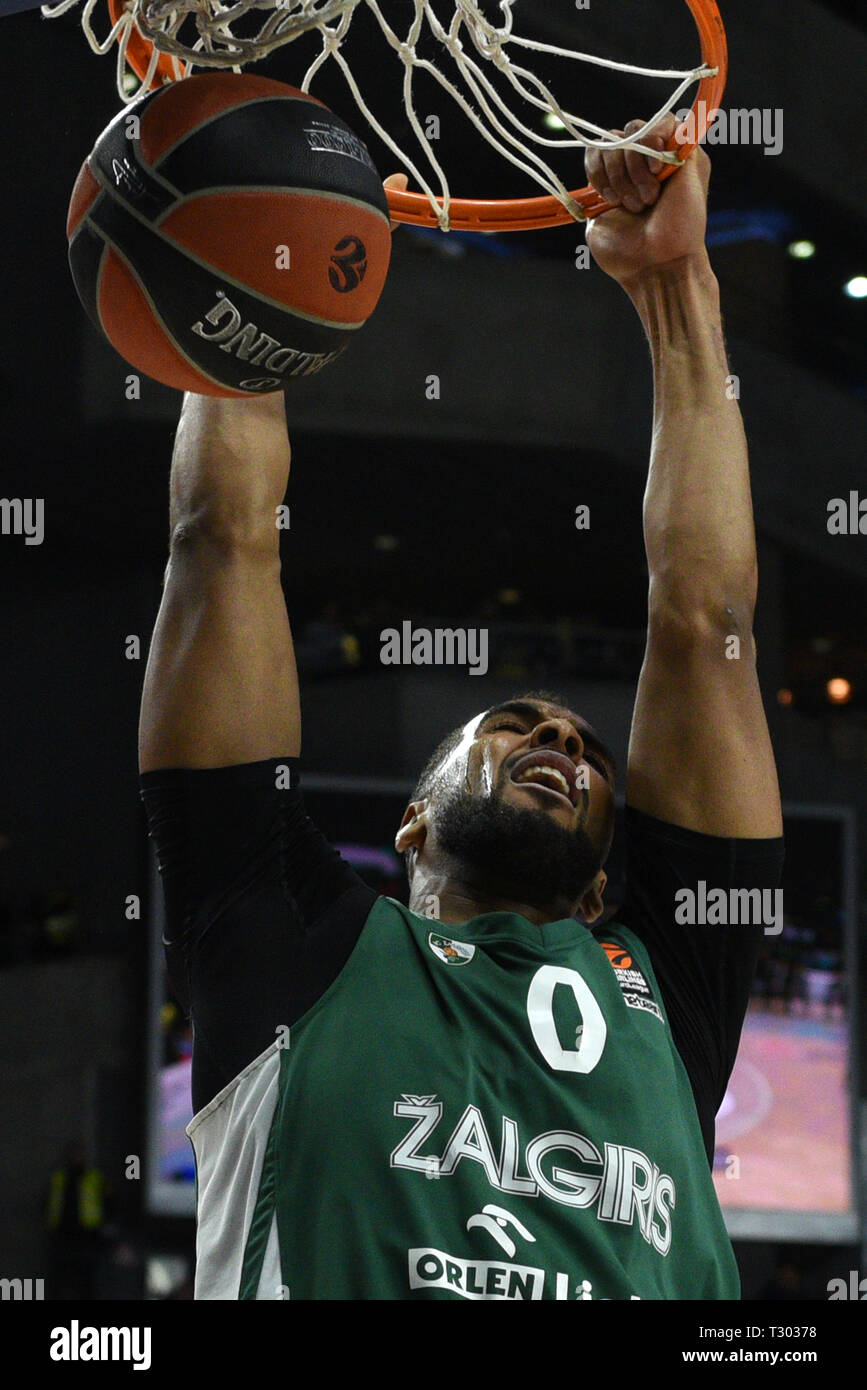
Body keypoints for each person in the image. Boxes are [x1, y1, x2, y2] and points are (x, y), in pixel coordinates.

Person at [139, 119, 783, 1300]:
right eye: (512, 729)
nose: (555, 740)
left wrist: (676, 282)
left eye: (582, 747)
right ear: (410, 825)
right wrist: (249, 247)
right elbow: (221, 545)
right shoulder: (288, 943)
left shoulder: (663, 989)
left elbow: (708, 622)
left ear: (602, 891)